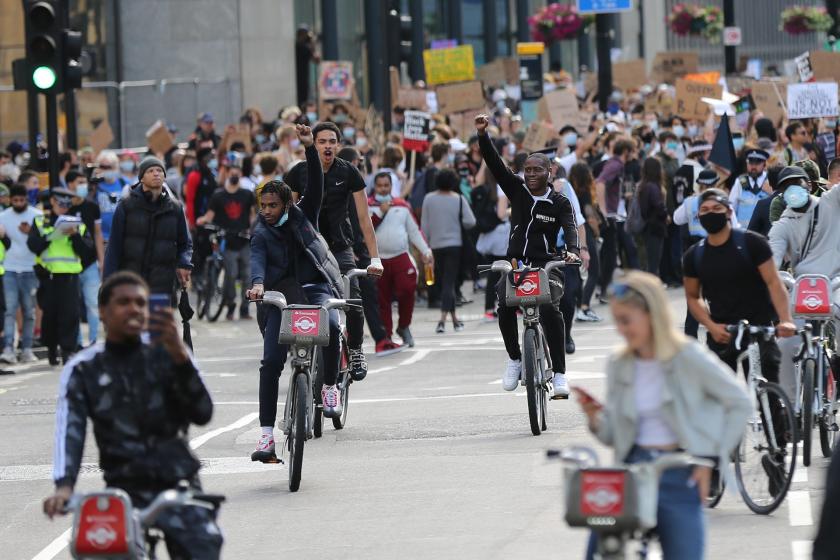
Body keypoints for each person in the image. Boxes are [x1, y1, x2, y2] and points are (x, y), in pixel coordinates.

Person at [43, 271, 222, 558]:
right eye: (123, 302)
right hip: (124, 491)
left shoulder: (170, 354)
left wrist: (179, 354)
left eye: (141, 303)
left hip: (179, 485)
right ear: (102, 311)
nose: (134, 309)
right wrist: (64, 487)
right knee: (96, 550)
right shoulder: (84, 368)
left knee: (202, 546)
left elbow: (203, 413)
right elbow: (70, 430)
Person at [577, 271, 751, 560]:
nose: (621, 330)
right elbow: (612, 436)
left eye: (626, 321)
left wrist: (711, 457)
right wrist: (595, 418)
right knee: (599, 552)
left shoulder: (687, 356)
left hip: (679, 473)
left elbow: (740, 403)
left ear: (651, 315)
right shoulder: (619, 363)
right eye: (616, 321)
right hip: (630, 473)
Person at [682, 188, 796, 482]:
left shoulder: (752, 244)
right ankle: (714, 464)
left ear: (728, 211)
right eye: (703, 210)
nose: (710, 214)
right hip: (723, 331)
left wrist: (784, 320)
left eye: (715, 208)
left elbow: (774, 284)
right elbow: (692, 298)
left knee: (768, 394)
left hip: (760, 327)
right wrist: (710, 325)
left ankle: (776, 456)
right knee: (717, 399)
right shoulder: (696, 255)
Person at [248, 125, 346, 462]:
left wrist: (309, 148)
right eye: (263, 205)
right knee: (271, 362)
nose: (267, 211)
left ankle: (330, 387)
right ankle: (265, 437)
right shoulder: (260, 233)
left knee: (332, 327)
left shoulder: (305, 217)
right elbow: (257, 261)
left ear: (287, 203)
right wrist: (258, 285)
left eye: (273, 205)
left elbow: (316, 185)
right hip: (279, 299)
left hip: (316, 290)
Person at [475, 114, 580, 398]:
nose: (531, 174)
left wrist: (573, 251)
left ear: (550, 172)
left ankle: (559, 374)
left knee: (549, 310)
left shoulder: (559, 202)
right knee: (505, 307)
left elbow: (571, 228)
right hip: (516, 266)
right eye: (527, 170)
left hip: (548, 266)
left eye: (537, 170)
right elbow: (495, 165)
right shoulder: (517, 191)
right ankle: (515, 359)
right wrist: (483, 135)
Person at [284, 121, 384, 381]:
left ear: (338, 145)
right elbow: (288, 216)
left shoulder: (348, 172)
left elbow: (364, 219)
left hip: (340, 248)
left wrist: (375, 258)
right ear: (313, 144)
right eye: (322, 142)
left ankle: (355, 349)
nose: (327, 146)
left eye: (332, 142)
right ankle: (298, 348)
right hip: (308, 248)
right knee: (296, 296)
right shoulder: (298, 173)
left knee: (353, 299)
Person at [768, 165, 840, 402]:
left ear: (808, 184)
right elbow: (772, 256)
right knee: (785, 346)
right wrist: (774, 275)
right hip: (803, 291)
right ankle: (789, 407)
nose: (792, 191)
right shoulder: (782, 225)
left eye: (796, 184)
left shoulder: (830, 202)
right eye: (786, 187)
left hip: (836, 285)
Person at [103, 157, 193, 299]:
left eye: (159, 170)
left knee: (158, 321)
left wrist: (184, 262)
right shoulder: (126, 206)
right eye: (150, 171)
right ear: (141, 179)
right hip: (131, 283)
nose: (156, 174)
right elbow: (114, 247)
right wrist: (108, 283)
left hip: (162, 284)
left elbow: (185, 243)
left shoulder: (175, 208)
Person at [28, 188, 95, 365]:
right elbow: (33, 245)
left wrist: (74, 236)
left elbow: (87, 251)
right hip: (48, 277)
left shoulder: (77, 224)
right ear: (52, 202)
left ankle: (67, 351)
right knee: (50, 315)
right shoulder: (40, 221)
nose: (64, 208)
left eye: (67, 204)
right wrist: (50, 236)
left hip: (70, 277)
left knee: (69, 316)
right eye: (60, 204)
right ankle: (51, 349)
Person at [369, 171, 432, 352]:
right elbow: (364, 229)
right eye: (380, 186)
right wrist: (380, 213)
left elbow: (414, 231)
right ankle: (386, 336)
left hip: (400, 256)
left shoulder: (402, 206)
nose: (383, 189)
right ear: (375, 187)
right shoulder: (367, 205)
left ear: (391, 186)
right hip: (378, 258)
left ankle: (403, 326)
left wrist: (426, 251)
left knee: (407, 289)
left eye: (386, 185)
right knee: (382, 300)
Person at [197, 159, 256, 320]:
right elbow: (210, 215)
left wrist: (253, 231)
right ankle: (230, 306)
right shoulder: (218, 195)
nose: (235, 174)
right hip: (227, 241)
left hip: (244, 239)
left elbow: (251, 215)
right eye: (232, 171)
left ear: (241, 174)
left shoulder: (247, 194)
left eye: (237, 171)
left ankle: (245, 308)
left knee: (247, 275)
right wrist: (202, 220)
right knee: (230, 275)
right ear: (227, 174)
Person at [421, 169, 475, 333]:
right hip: (455, 245)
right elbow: (471, 221)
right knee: (449, 283)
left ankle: (452, 319)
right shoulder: (458, 199)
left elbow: (424, 226)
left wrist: (428, 244)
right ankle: (444, 320)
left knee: (445, 282)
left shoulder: (429, 198)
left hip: (435, 245)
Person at [0, 185, 41, 363]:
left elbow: (42, 241)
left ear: (27, 199)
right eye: (15, 200)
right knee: (10, 310)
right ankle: (8, 348)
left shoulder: (36, 216)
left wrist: (30, 232)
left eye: (21, 200)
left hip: (30, 268)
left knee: (29, 311)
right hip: (9, 268)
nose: (18, 203)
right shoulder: (3, 217)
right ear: (10, 200)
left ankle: (26, 348)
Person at [66, 170, 104, 347]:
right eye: (79, 181)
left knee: (93, 303)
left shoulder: (92, 206)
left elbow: (97, 234)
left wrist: (101, 260)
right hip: (69, 263)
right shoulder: (64, 207)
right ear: (69, 184)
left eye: (84, 182)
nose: (83, 185)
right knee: (72, 307)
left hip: (89, 263)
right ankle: (77, 342)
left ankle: (94, 340)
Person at [595, 137, 636, 297]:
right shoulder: (615, 164)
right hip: (611, 216)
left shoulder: (617, 164)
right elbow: (600, 182)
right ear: (626, 151)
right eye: (633, 151)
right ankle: (604, 289)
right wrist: (604, 211)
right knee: (610, 255)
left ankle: (604, 288)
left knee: (613, 254)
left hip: (616, 215)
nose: (635, 154)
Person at [569, 163, 603, 323]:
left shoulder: (570, 192)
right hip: (586, 232)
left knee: (580, 273)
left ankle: (580, 306)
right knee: (594, 271)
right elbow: (590, 216)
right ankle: (584, 307)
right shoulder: (586, 193)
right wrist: (597, 230)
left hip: (574, 233)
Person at [637, 157, 668, 275]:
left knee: (652, 261)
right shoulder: (653, 187)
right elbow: (659, 206)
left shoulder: (644, 186)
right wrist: (666, 214)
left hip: (648, 227)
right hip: (655, 227)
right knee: (654, 263)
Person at [729, 148, 772, 229]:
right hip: (743, 232)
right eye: (751, 163)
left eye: (757, 163)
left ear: (764, 164)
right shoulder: (740, 182)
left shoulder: (770, 180)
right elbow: (731, 208)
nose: (753, 167)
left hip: (765, 232)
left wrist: (772, 193)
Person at [93, 150, 128, 243]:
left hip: (122, 237)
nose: (105, 170)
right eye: (102, 166)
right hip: (103, 238)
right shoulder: (96, 186)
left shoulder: (124, 183)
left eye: (108, 167)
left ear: (115, 166)